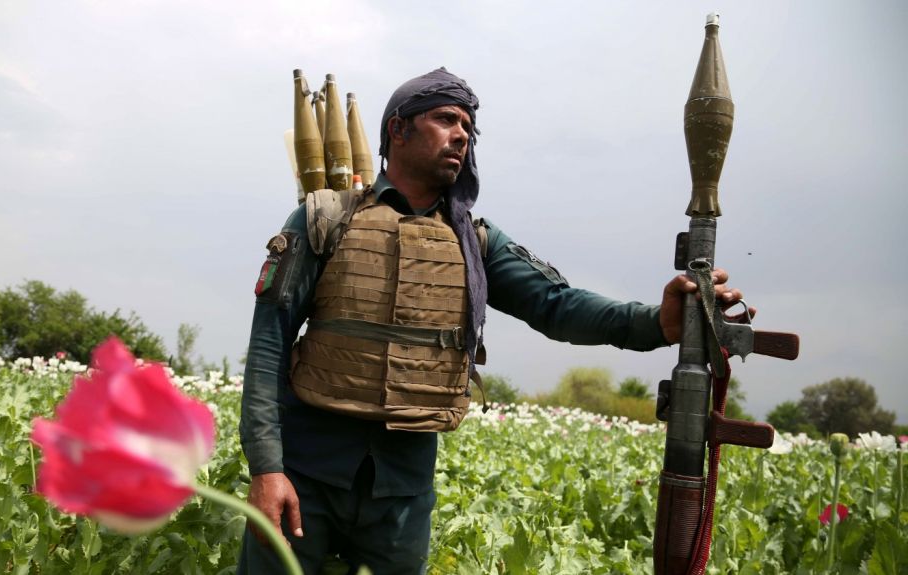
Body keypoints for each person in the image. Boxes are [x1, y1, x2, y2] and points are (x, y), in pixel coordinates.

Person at [237, 68, 743, 574]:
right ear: (398, 129)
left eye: (468, 127)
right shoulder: (325, 218)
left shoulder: (473, 242)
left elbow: (557, 305)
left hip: (401, 494)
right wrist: (267, 469)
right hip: (304, 475)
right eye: (446, 119)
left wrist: (657, 323)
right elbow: (268, 347)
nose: (462, 135)